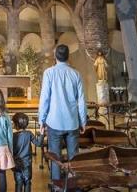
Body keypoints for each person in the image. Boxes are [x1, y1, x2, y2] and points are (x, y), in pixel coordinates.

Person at [38, 44, 87, 184]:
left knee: (56, 158)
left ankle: (57, 186)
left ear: (55, 56)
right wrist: (83, 121)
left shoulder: (49, 73)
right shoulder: (76, 74)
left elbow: (44, 98)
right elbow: (82, 101)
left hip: (54, 122)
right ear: (68, 56)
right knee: (74, 157)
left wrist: (42, 121)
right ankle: (74, 185)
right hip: (72, 123)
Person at [11, 113, 37, 192]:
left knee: (18, 183)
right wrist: (42, 134)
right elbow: (39, 143)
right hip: (27, 163)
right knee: (28, 182)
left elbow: (10, 149)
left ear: (16, 124)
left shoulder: (13, 136)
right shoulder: (29, 134)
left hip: (17, 163)